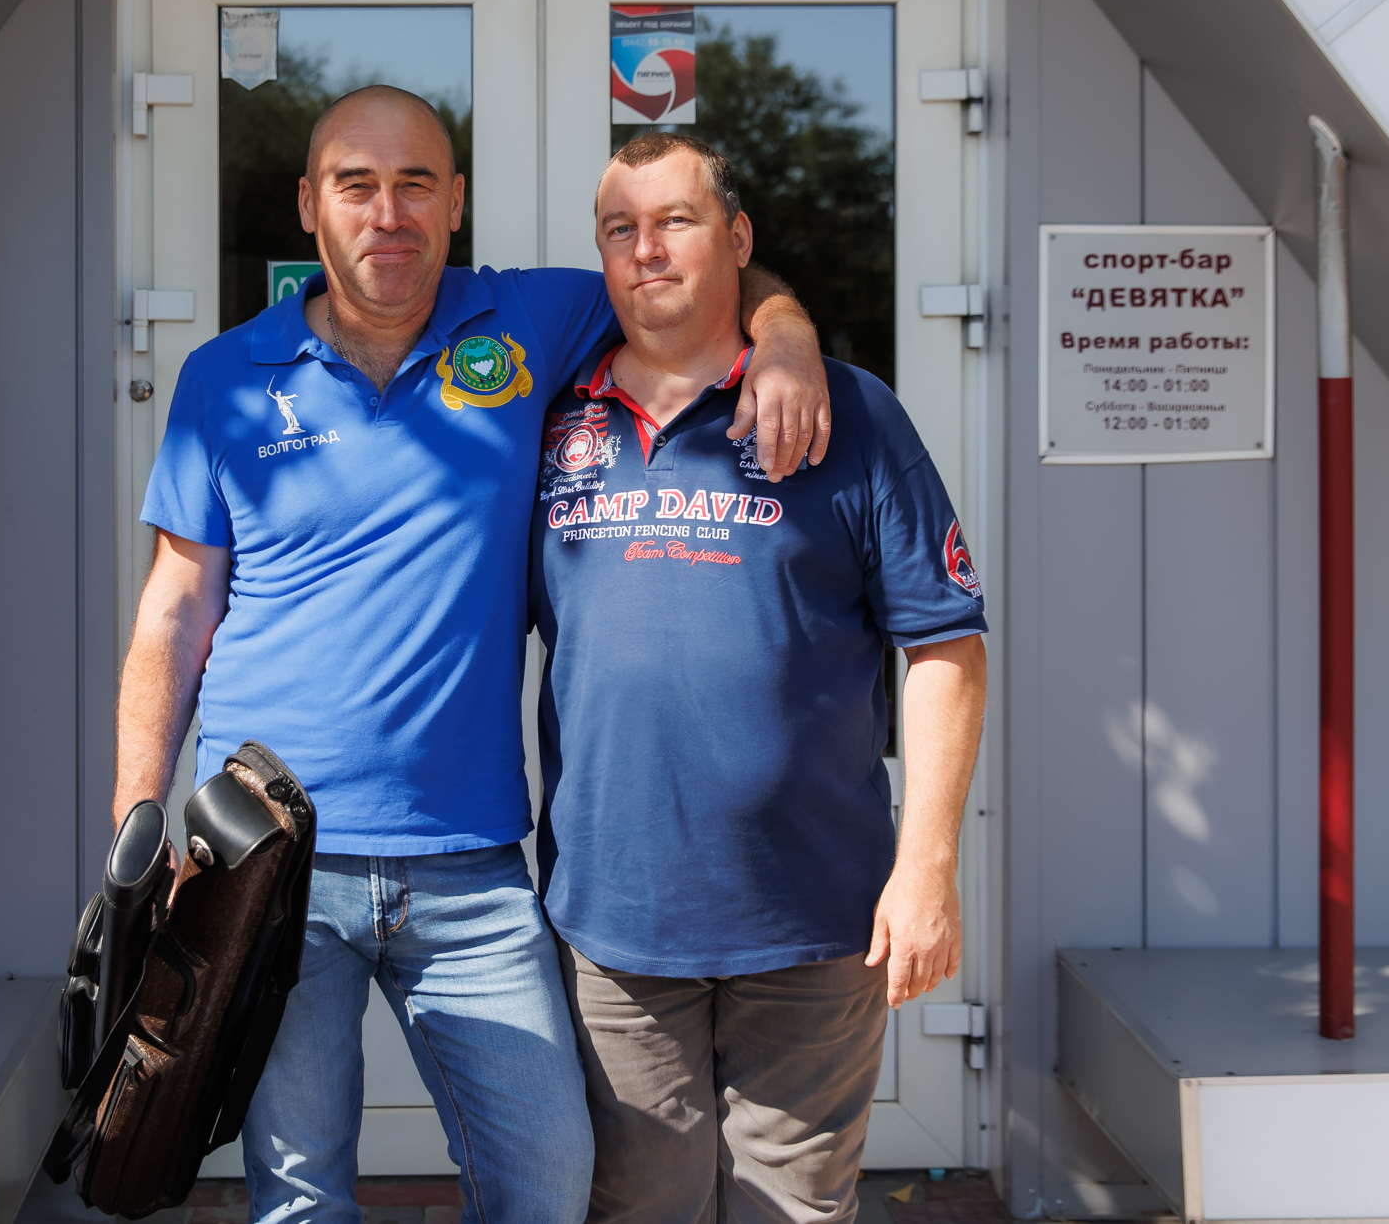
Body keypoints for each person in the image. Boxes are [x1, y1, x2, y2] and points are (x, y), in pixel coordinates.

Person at [117, 87, 833, 1224]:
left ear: (455, 202)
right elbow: (174, 609)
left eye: (415, 184)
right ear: (309, 204)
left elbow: (689, 278)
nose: (386, 212)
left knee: (546, 1180)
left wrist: (787, 336)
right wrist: (141, 819)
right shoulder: (224, 377)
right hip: (267, 859)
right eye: (356, 184)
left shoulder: (530, 319)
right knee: (299, 1196)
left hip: (468, 865)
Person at [532, 130, 988, 1224]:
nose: (646, 249)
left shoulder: (849, 413)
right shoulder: (545, 418)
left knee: (794, 1207)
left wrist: (927, 866)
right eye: (619, 228)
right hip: (615, 914)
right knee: (638, 1206)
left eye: (675, 221)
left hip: (816, 911)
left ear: (737, 238)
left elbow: (945, 644)